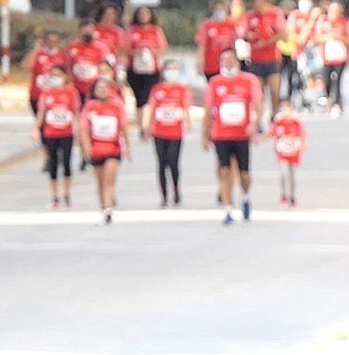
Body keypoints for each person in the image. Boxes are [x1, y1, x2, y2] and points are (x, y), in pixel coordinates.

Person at [203, 47, 262, 226]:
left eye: (230, 59)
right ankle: (228, 208)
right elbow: (208, 110)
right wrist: (205, 134)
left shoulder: (248, 80)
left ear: (237, 61)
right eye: (223, 60)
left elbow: (258, 105)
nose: (227, 63)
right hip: (221, 134)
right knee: (224, 171)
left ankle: (245, 196)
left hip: (242, 134)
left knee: (244, 174)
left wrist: (254, 123)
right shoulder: (215, 82)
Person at [79, 77, 131, 224]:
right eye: (99, 88)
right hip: (96, 149)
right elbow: (83, 128)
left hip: (113, 149)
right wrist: (86, 147)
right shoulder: (89, 106)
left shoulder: (117, 106)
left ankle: (109, 209)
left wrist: (127, 146)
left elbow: (124, 126)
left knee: (109, 180)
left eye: (105, 88)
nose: (101, 91)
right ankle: (103, 207)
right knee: (100, 181)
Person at [142, 59, 191, 208]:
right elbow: (150, 108)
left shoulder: (182, 89)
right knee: (162, 163)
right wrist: (146, 126)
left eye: (175, 69)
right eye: (169, 69)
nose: (172, 72)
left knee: (173, 161)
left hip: (175, 132)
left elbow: (185, 109)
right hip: (159, 131)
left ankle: (176, 188)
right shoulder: (157, 89)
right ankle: (164, 195)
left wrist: (187, 122)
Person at [31, 65, 81, 210]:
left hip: (67, 133)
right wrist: (35, 129)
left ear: (65, 76)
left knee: (66, 163)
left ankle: (66, 193)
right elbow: (41, 114)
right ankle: (54, 196)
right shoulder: (46, 94)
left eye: (58, 75)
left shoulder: (71, 93)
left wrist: (79, 129)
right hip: (50, 133)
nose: (55, 78)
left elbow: (76, 112)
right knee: (52, 165)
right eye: (53, 75)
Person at [245, 0, 285, 124]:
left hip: (272, 58)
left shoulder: (275, 13)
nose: (253, 3)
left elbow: (282, 34)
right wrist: (247, 36)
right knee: (258, 93)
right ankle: (259, 120)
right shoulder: (250, 15)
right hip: (255, 58)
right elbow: (244, 32)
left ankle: (275, 114)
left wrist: (267, 42)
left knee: (274, 90)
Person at [255, 98, 306, 209]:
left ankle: (292, 196)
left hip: (293, 153)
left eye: (287, 108)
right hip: (282, 154)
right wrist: (259, 140)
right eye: (283, 108)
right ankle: (283, 195)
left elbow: (302, 135)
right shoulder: (278, 123)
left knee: (291, 175)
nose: (285, 111)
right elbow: (270, 134)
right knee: (284, 174)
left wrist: (302, 145)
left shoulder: (296, 123)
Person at [127, 6, 168, 129]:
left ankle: (147, 124)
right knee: (139, 97)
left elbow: (163, 49)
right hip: (135, 69)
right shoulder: (132, 31)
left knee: (148, 96)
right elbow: (125, 49)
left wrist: (152, 52)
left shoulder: (156, 31)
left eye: (146, 14)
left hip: (152, 69)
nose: (143, 16)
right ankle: (141, 124)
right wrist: (137, 52)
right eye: (141, 14)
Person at [313, 1, 349, 118]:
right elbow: (317, 37)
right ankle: (327, 99)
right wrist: (327, 36)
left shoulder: (343, 22)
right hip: (327, 55)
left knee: (337, 80)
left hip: (340, 55)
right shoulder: (323, 21)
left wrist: (340, 38)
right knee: (327, 80)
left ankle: (338, 103)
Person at [23, 31, 68, 117]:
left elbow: (67, 75)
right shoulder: (38, 54)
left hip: (55, 97)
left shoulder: (62, 56)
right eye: (49, 41)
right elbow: (26, 66)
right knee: (40, 123)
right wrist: (35, 50)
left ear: (58, 43)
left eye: (54, 41)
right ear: (44, 41)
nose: (51, 44)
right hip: (37, 95)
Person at [196, 0, 238, 82]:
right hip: (211, 64)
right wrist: (200, 62)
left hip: (228, 64)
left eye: (222, 9)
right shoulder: (207, 25)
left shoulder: (232, 25)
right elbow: (202, 45)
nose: (220, 11)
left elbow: (235, 43)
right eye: (218, 9)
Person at [283, 0, 316, 100]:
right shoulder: (295, 15)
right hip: (296, 52)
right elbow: (297, 37)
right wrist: (310, 23)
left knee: (312, 77)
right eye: (303, 0)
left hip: (313, 52)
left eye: (307, 0)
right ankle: (291, 99)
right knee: (293, 77)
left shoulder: (314, 14)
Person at [93, 3, 129, 69]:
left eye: (112, 14)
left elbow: (122, 52)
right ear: (101, 15)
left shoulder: (119, 32)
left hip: (112, 65)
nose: (109, 16)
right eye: (106, 13)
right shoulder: (93, 29)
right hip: (95, 64)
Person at [230, 0, 252, 72]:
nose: (236, 8)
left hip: (245, 54)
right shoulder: (228, 21)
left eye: (239, 5)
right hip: (232, 53)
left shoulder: (247, 19)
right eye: (234, 5)